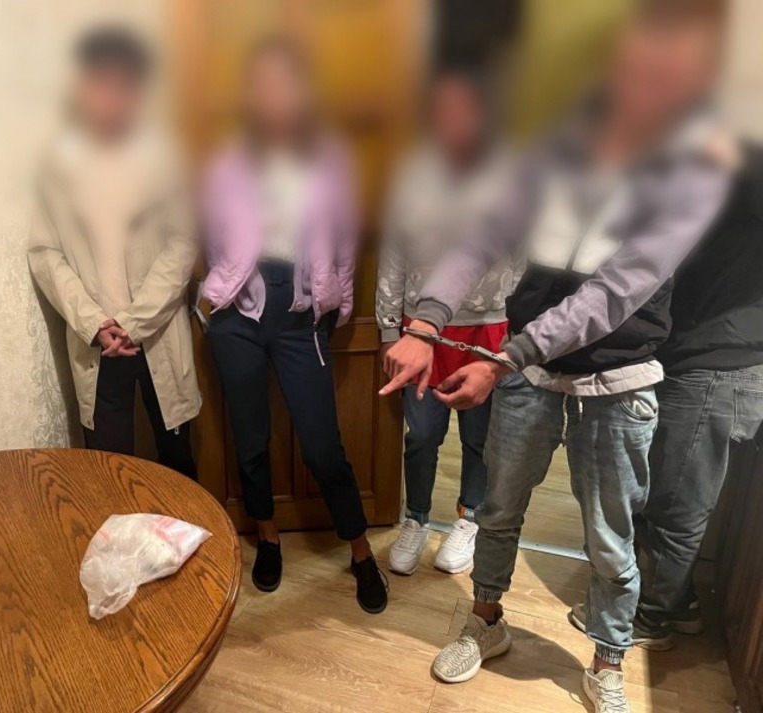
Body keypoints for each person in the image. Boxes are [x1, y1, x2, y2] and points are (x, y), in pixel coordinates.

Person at [379, 1, 732, 710]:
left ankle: (607, 659)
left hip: (618, 375)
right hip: (532, 370)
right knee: (499, 509)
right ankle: (486, 622)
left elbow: (618, 289)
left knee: (609, 537)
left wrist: (505, 357)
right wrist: (425, 322)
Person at [201, 37, 388, 613]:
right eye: (263, 84)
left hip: (302, 312)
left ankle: (360, 550)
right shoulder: (229, 162)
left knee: (322, 445)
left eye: (285, 83)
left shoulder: (331, 159)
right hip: (238, 310)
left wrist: (338, 302)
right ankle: (268, 537)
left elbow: (347, 239)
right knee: (250, 439)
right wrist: (215, 296)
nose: (274, 95)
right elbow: (212, 235)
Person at [28, 27, 200, 479]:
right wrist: (94, 323)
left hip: (156, 331)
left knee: (178, 462)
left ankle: (189, 527)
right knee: (108, 469)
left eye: (123, 84)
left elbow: (183, 242)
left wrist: (134, 322)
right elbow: (44, 252)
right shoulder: (56, 166)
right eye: (100, 82)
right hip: (98, 343)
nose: (112, 96)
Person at [377, 67, 518, 576]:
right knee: (420, 436)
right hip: (420, 329)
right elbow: (392, 256)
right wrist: (389, 329)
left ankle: (469, 516)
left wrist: (517, 331)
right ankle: (416, 517)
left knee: (481, 437)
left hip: (489, 326)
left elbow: (523, 260)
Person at [631, 142, 762, 650]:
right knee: (667, 493)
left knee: (675, 504)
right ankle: (678, 603)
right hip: (703, 354)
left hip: (719, 361)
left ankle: (650, 618)